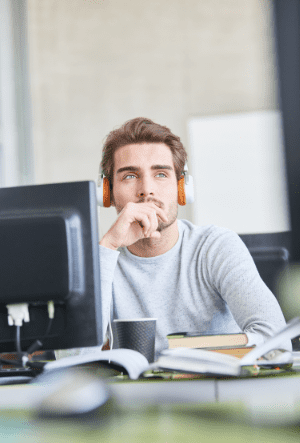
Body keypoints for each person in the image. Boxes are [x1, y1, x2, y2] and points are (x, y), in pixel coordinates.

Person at [96, 117, 290, 360]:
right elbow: (75, 359)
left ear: (181, 189)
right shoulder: (100, 260)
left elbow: (276, 343)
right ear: (108, 194)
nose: (146, 189)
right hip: (135, 397)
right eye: (129, 176)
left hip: (215, 393)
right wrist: (109, 245)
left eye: (161, 174)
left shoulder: (216, 247)